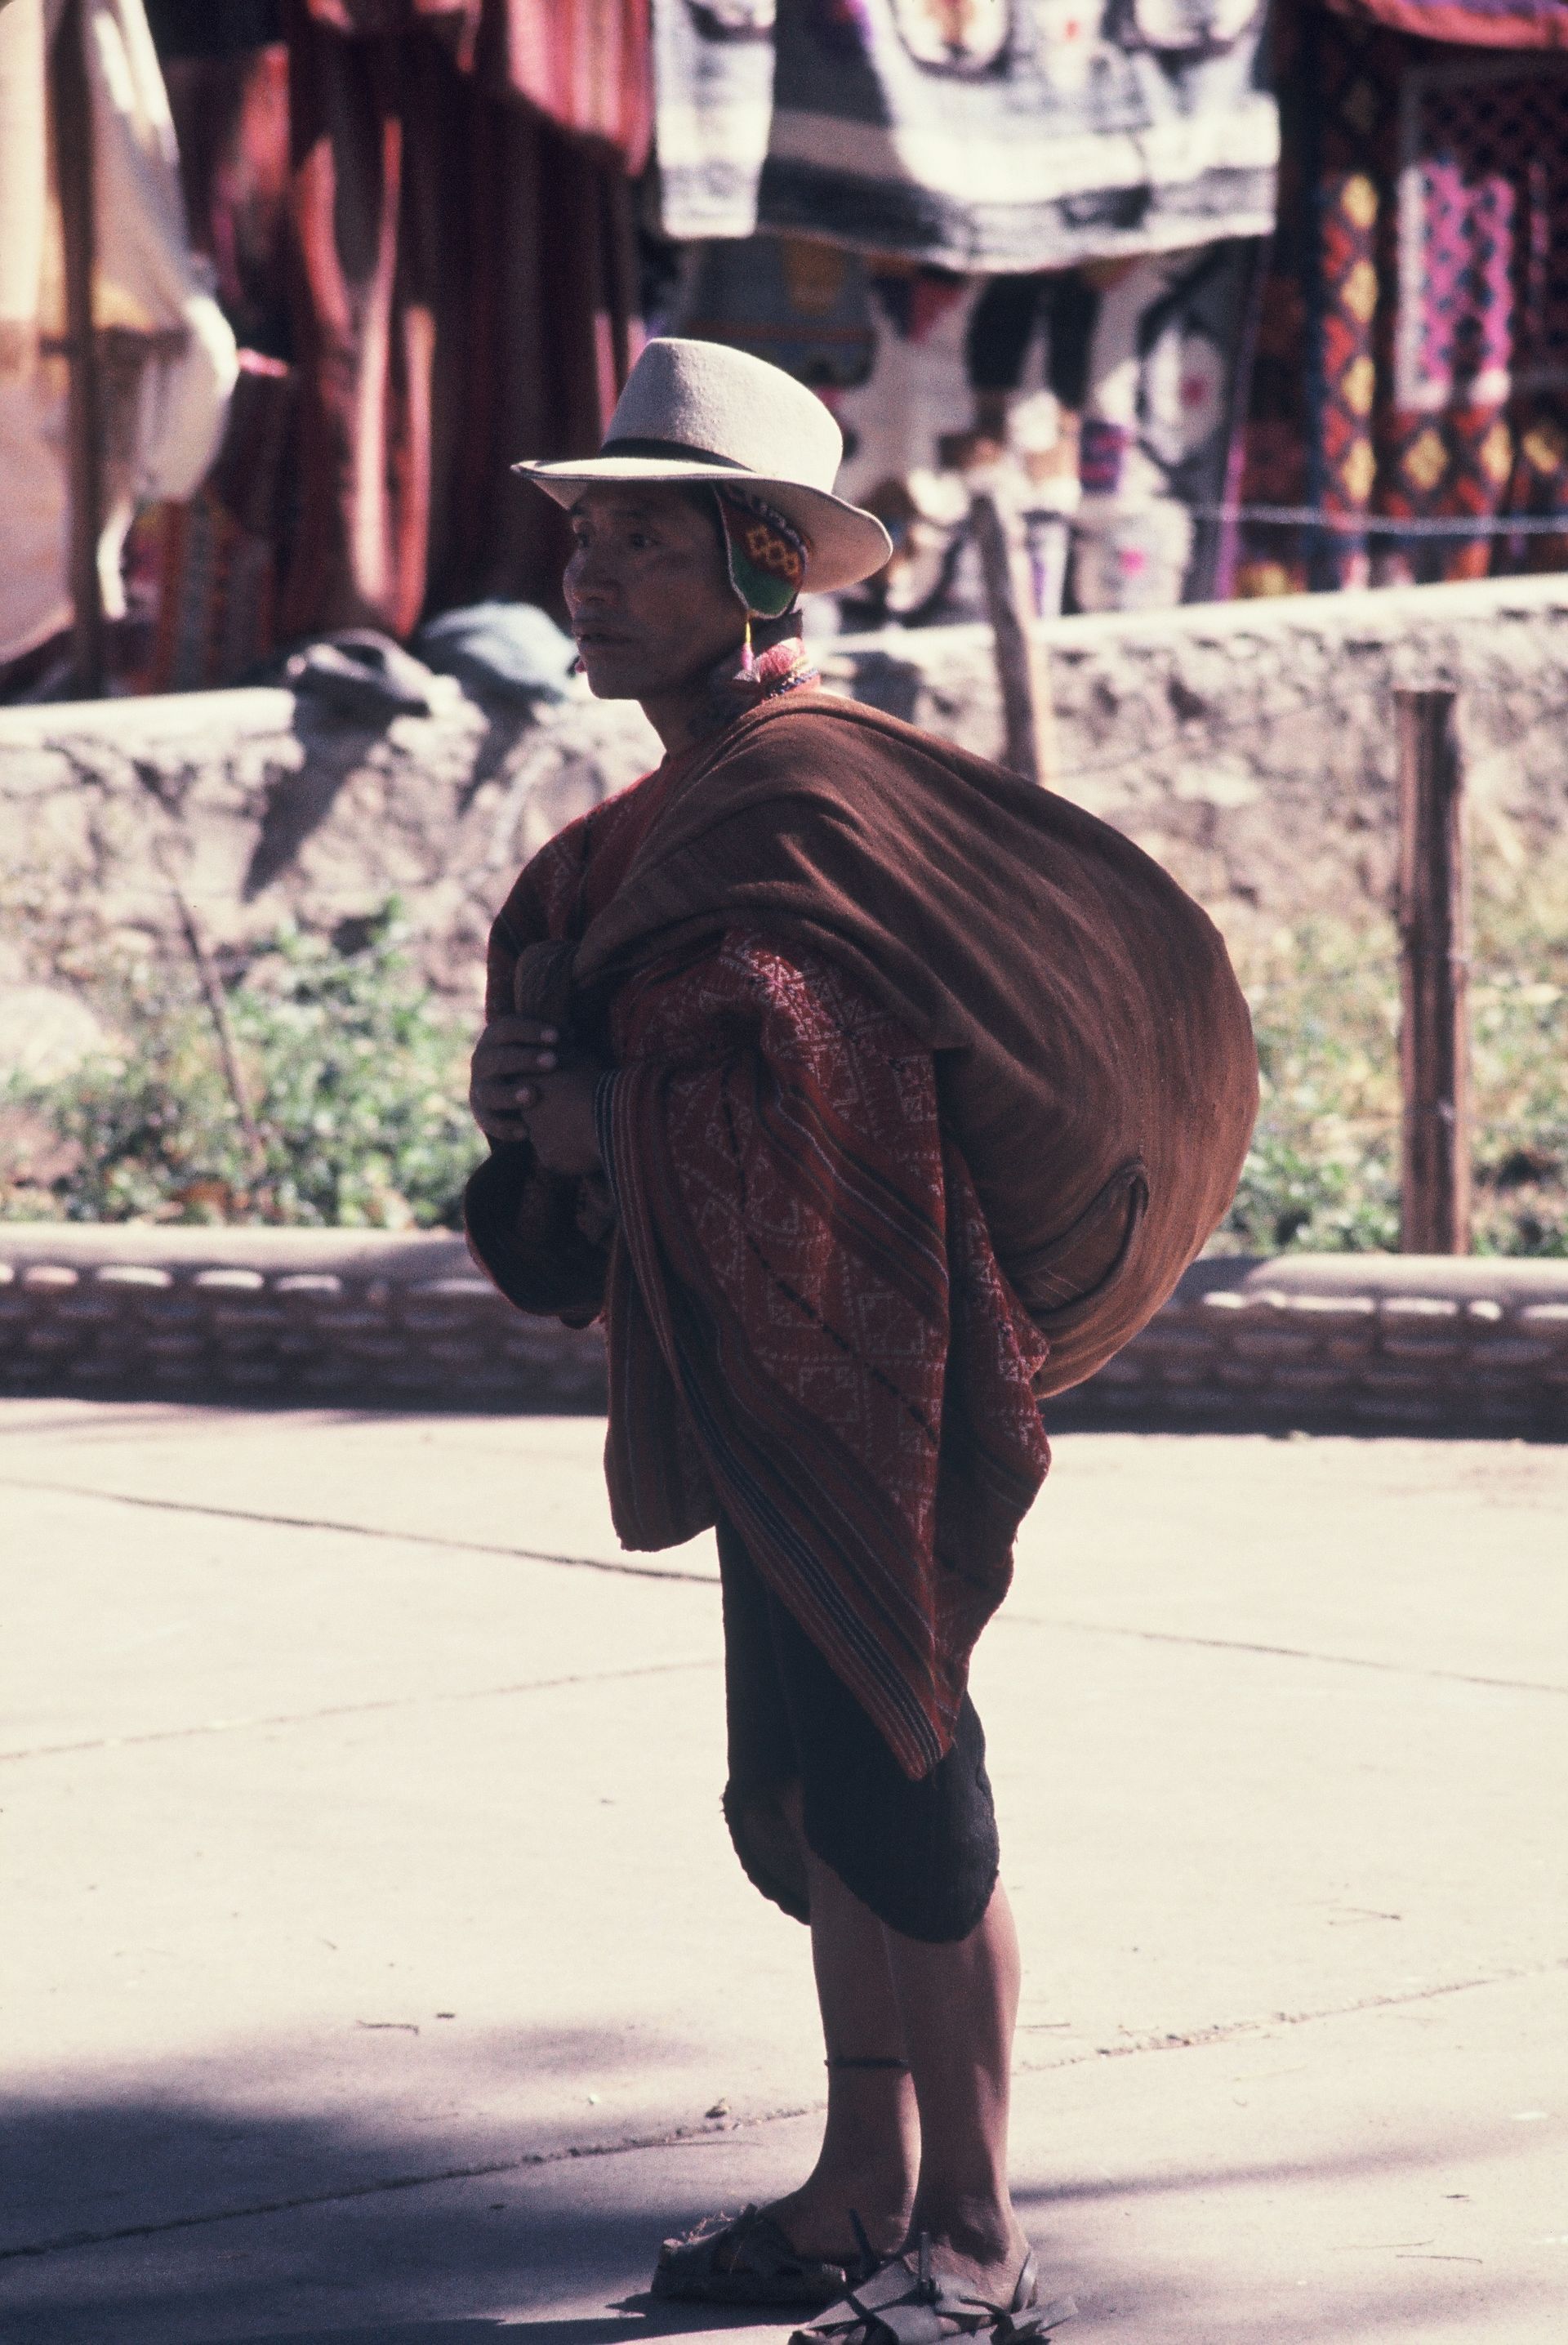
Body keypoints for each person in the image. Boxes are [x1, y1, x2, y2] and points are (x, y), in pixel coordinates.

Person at [466, 339, 1257, 2345]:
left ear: (756, 570)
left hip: (870, 1354)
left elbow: (821, 1089)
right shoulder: (678, 814)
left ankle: (979, 2243)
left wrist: (597, 1117)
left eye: (642, 545)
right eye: (587, 541)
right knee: (823, 1788)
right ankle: (855, 2192)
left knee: (904, 1770)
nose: (592, 579)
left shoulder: (806, 797)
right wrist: (543, 1098)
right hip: (764, 1366)